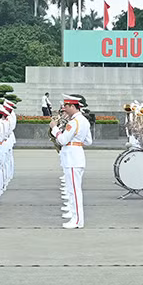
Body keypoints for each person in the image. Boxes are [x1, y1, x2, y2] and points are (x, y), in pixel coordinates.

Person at [50, 94, 92, 229]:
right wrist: (77, 142)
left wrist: (54, 129)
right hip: (76, 155)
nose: (64, 109)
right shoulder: (83, 120)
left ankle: (77, 220)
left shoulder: (74, 122)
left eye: (66, 106)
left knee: (74, 190)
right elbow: (88, 141)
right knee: (73, 189)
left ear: (73, 106)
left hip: (72, 158)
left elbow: (62, 140)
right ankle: (75, 217)